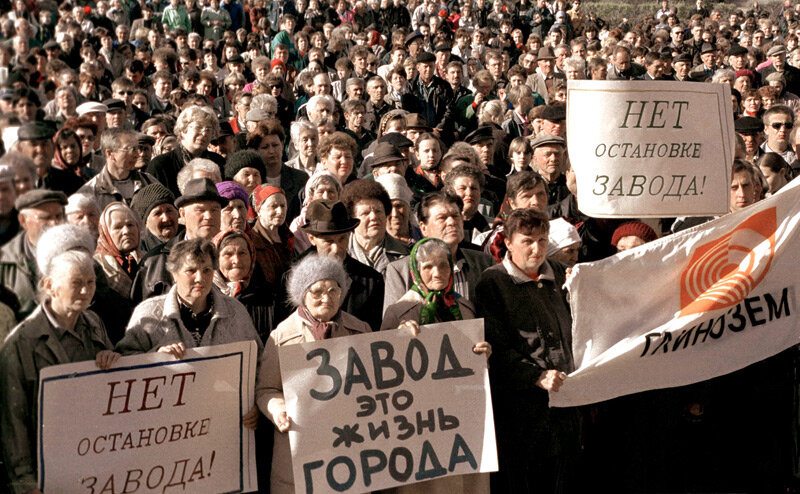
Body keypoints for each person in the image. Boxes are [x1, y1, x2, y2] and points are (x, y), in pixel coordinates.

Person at [475, 208, 580, 493]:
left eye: (543, 240)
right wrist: (535, 376)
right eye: (528, 241)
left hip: (567, 406)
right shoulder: (493, 283)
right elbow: (495, 346)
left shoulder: (560, 274)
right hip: (522, 413)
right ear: (508, 242)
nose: (537, 248)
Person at [0, 245, 119, 494]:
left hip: (93, 465)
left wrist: (113, 358)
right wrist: (25, 485)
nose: (86, 291)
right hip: (47, 474)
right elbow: (14, 423)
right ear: (50, 286)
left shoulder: (94, 324)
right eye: (76, 283)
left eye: (91, 282)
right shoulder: (22, 343)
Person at [255, 254, 371, 494]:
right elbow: (266, 389)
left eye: (333, 290)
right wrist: (278, 410)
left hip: (348, 447)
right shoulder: (282, 336)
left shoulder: (360, 331)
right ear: (303, 295)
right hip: (299, 450)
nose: (326, 298)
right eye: (317, 291)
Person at [383, 191, 494, 311]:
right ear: (424, 228)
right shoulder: (400, 271)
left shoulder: (484, 263)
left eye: (455, 216)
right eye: (442, 218)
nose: (451, 222)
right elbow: (393, 323)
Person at [131, 178, 226, 302]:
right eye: (200, 210)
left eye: (214, 210)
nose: (208, 216)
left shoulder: (238, 255)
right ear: (182, 214)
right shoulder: (155, 262)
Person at [0, 190, 67, 318]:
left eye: (58, 216)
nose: (54, 223)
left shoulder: (79, 254)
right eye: (46, 218)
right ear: (23, 221)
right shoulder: (4, 261)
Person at [212, 228, 275, 343]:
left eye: (242, 253)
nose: (236, 260)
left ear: (251, 257)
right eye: (228, 254)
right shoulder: (207, 298)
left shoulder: (270, 296)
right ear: (216, 260)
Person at [77, 128, 159, 211]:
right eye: (131, 149)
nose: (137, 155)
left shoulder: (149, 183)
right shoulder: (91, 192)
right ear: (110, 153)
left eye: (136, 149)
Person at [342, 178, 410, 275]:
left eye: (378, 211)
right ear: (352, 219)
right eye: (365, 213)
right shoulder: (341, 252)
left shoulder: (404, 255)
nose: (373, 217)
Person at [94, 202, 143, 299]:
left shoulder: (151, 260)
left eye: (130, 225)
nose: (126, 231)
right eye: (118, 227)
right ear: (105, 233)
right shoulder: (98, 266)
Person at [250, 185, 294, 286]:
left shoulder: (288, 238)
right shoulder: (252, 241)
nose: (280, 211)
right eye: (273, 206)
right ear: (259, 210)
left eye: (283, 206)